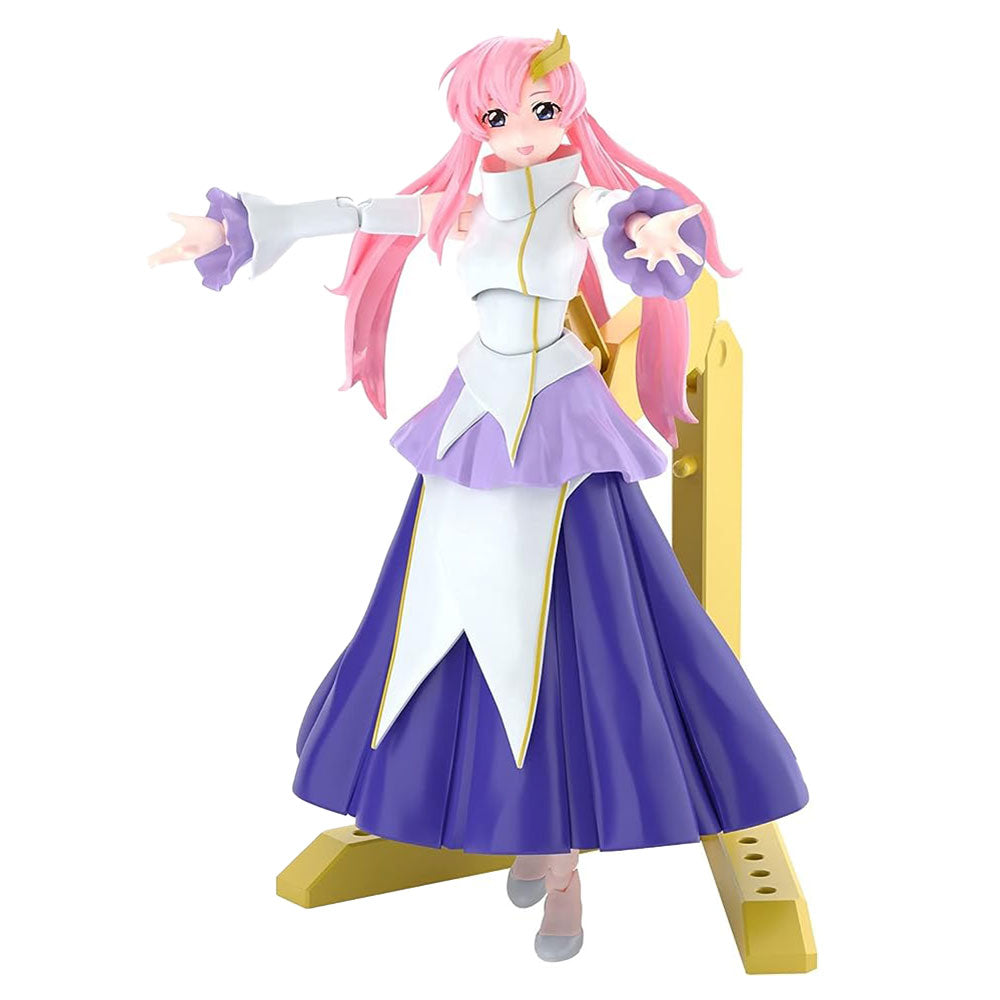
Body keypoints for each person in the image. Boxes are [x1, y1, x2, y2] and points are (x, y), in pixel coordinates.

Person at [149, 32, 808, 963]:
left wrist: (654, 230)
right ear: (475, 122)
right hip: (471, 420)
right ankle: (513, 818)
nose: (522, 131)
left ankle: (563, 855)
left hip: (558, 421)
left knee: (570, 632)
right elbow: (358, 211)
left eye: (541, 110)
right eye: (497, 115)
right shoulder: (464, 207)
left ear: (569, 107)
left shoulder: (574, 200)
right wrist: (246, 227)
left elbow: (616, 214)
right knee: (446, 613)